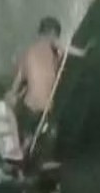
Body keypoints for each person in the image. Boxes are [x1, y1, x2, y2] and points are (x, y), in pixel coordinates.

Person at [8, 17, 86, 148]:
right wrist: (82, 53)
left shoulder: (28, 52)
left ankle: (21, 149)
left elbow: (17, 82)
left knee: (26, 137)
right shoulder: (50, 42)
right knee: (37, 137)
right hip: (43, 108)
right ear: (51, 33)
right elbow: (61, 45)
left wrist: (13, 95)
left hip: (28, 107)